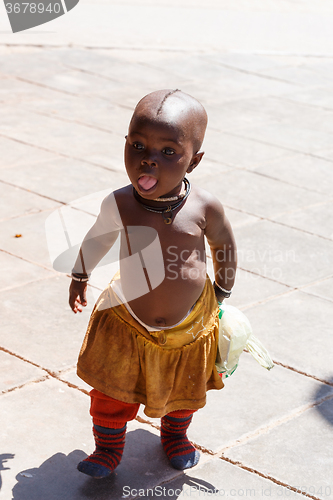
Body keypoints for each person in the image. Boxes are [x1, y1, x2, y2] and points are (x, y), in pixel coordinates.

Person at [69, 89, 237, 479]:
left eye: (168, 152)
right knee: (110, 390)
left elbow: (224, 245)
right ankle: (107, 447)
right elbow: (97, 239)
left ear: (193, 161)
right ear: (125, 143)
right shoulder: (121, 203)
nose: (148, 159)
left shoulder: (203, 207)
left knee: (185, 389)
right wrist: (80, 274)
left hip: (189, 326)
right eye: (138, 145)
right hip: (127, 320)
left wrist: (224, 289)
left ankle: (176, 436)